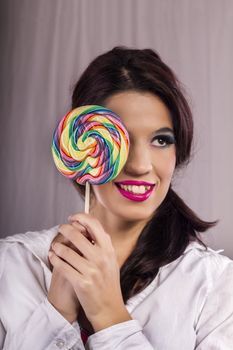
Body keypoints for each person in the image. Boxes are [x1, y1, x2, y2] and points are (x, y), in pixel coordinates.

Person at [0, 46, 232, 350]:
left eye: (161, 140)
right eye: (119, 137)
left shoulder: (216, 287)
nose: (139, 164)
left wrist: (109, 316)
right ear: (83, 144)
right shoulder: (11, 266)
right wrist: (55, 314)